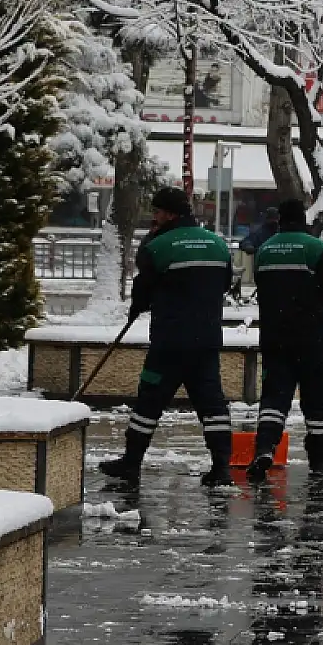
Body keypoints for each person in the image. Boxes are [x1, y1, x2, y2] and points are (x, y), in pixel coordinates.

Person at [99, 186, 235, 487]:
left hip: (169, 342)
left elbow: (143, 290)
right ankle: (222, 467)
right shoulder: (217, 244)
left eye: (158, 211)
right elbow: (225, 284)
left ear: (171, 214)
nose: (154, 217)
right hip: (206, 340)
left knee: (149, 401)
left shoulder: (158, 246)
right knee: (212, 404)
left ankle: (131, 463)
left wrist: (138, 308)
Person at [248, 199, 323, 483]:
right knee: (316, 401)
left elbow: (262, 285)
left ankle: (264, 448)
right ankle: (318, 462)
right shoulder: (317, 248)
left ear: (280, 220)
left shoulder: (265, 250)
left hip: (275, 336)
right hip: (312, 337)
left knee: (274, 397)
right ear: (303, 219)